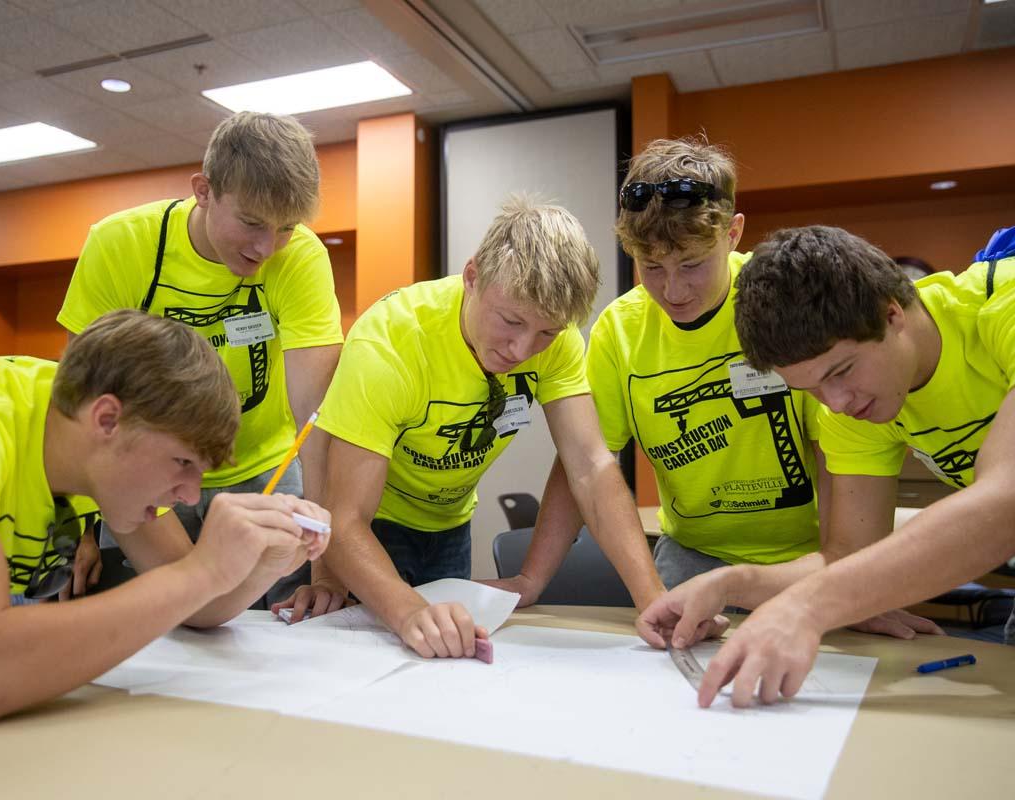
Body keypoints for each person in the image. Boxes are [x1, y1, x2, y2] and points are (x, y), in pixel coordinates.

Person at [0, 310, 330, 723]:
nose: (191, 496)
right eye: (182, 463)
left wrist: (264, 559)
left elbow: (194, 605)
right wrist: (205, 570)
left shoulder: (92, 440)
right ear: (106, 418)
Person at [639, 225, 1014, 708]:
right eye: (811, 389)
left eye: (841, 372)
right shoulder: (858, 406)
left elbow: (1004, 504)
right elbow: (846, 557)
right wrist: (732, 581)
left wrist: (808, 606)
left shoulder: (1001, 305)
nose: (834, 403)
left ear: (892, 313)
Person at [276, 196, 666, 657]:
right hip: (373, 527)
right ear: (472, 275)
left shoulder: (555, 345)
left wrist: (653, 601)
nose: (522, 349)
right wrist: (406, 609)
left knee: (443, 664)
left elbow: (591, 468)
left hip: (450, 524)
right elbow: (345, 518)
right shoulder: (391, 344)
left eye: (546, 332)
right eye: (511, 320)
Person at [488, 138, 831, 621]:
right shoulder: (620, 331)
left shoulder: (784, 301)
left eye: (692, 265)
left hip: (805, 558)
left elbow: (833, 444)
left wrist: (850, 572)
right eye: (652, 267)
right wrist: (532, 578)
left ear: (733, 234)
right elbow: (584, 463)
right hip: (690, 555)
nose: (673, 289)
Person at [57, 111, 342, 607]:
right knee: (155, 616)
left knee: (267, 626)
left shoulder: (301, 258)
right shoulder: (120, 244)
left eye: (286, 229)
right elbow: (77, 406)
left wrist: (325, 562)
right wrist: (80, 529)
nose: (267, 248)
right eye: (252, 223)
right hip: (145, 469)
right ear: (203, 190)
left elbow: (317, 418)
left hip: (265, 469)